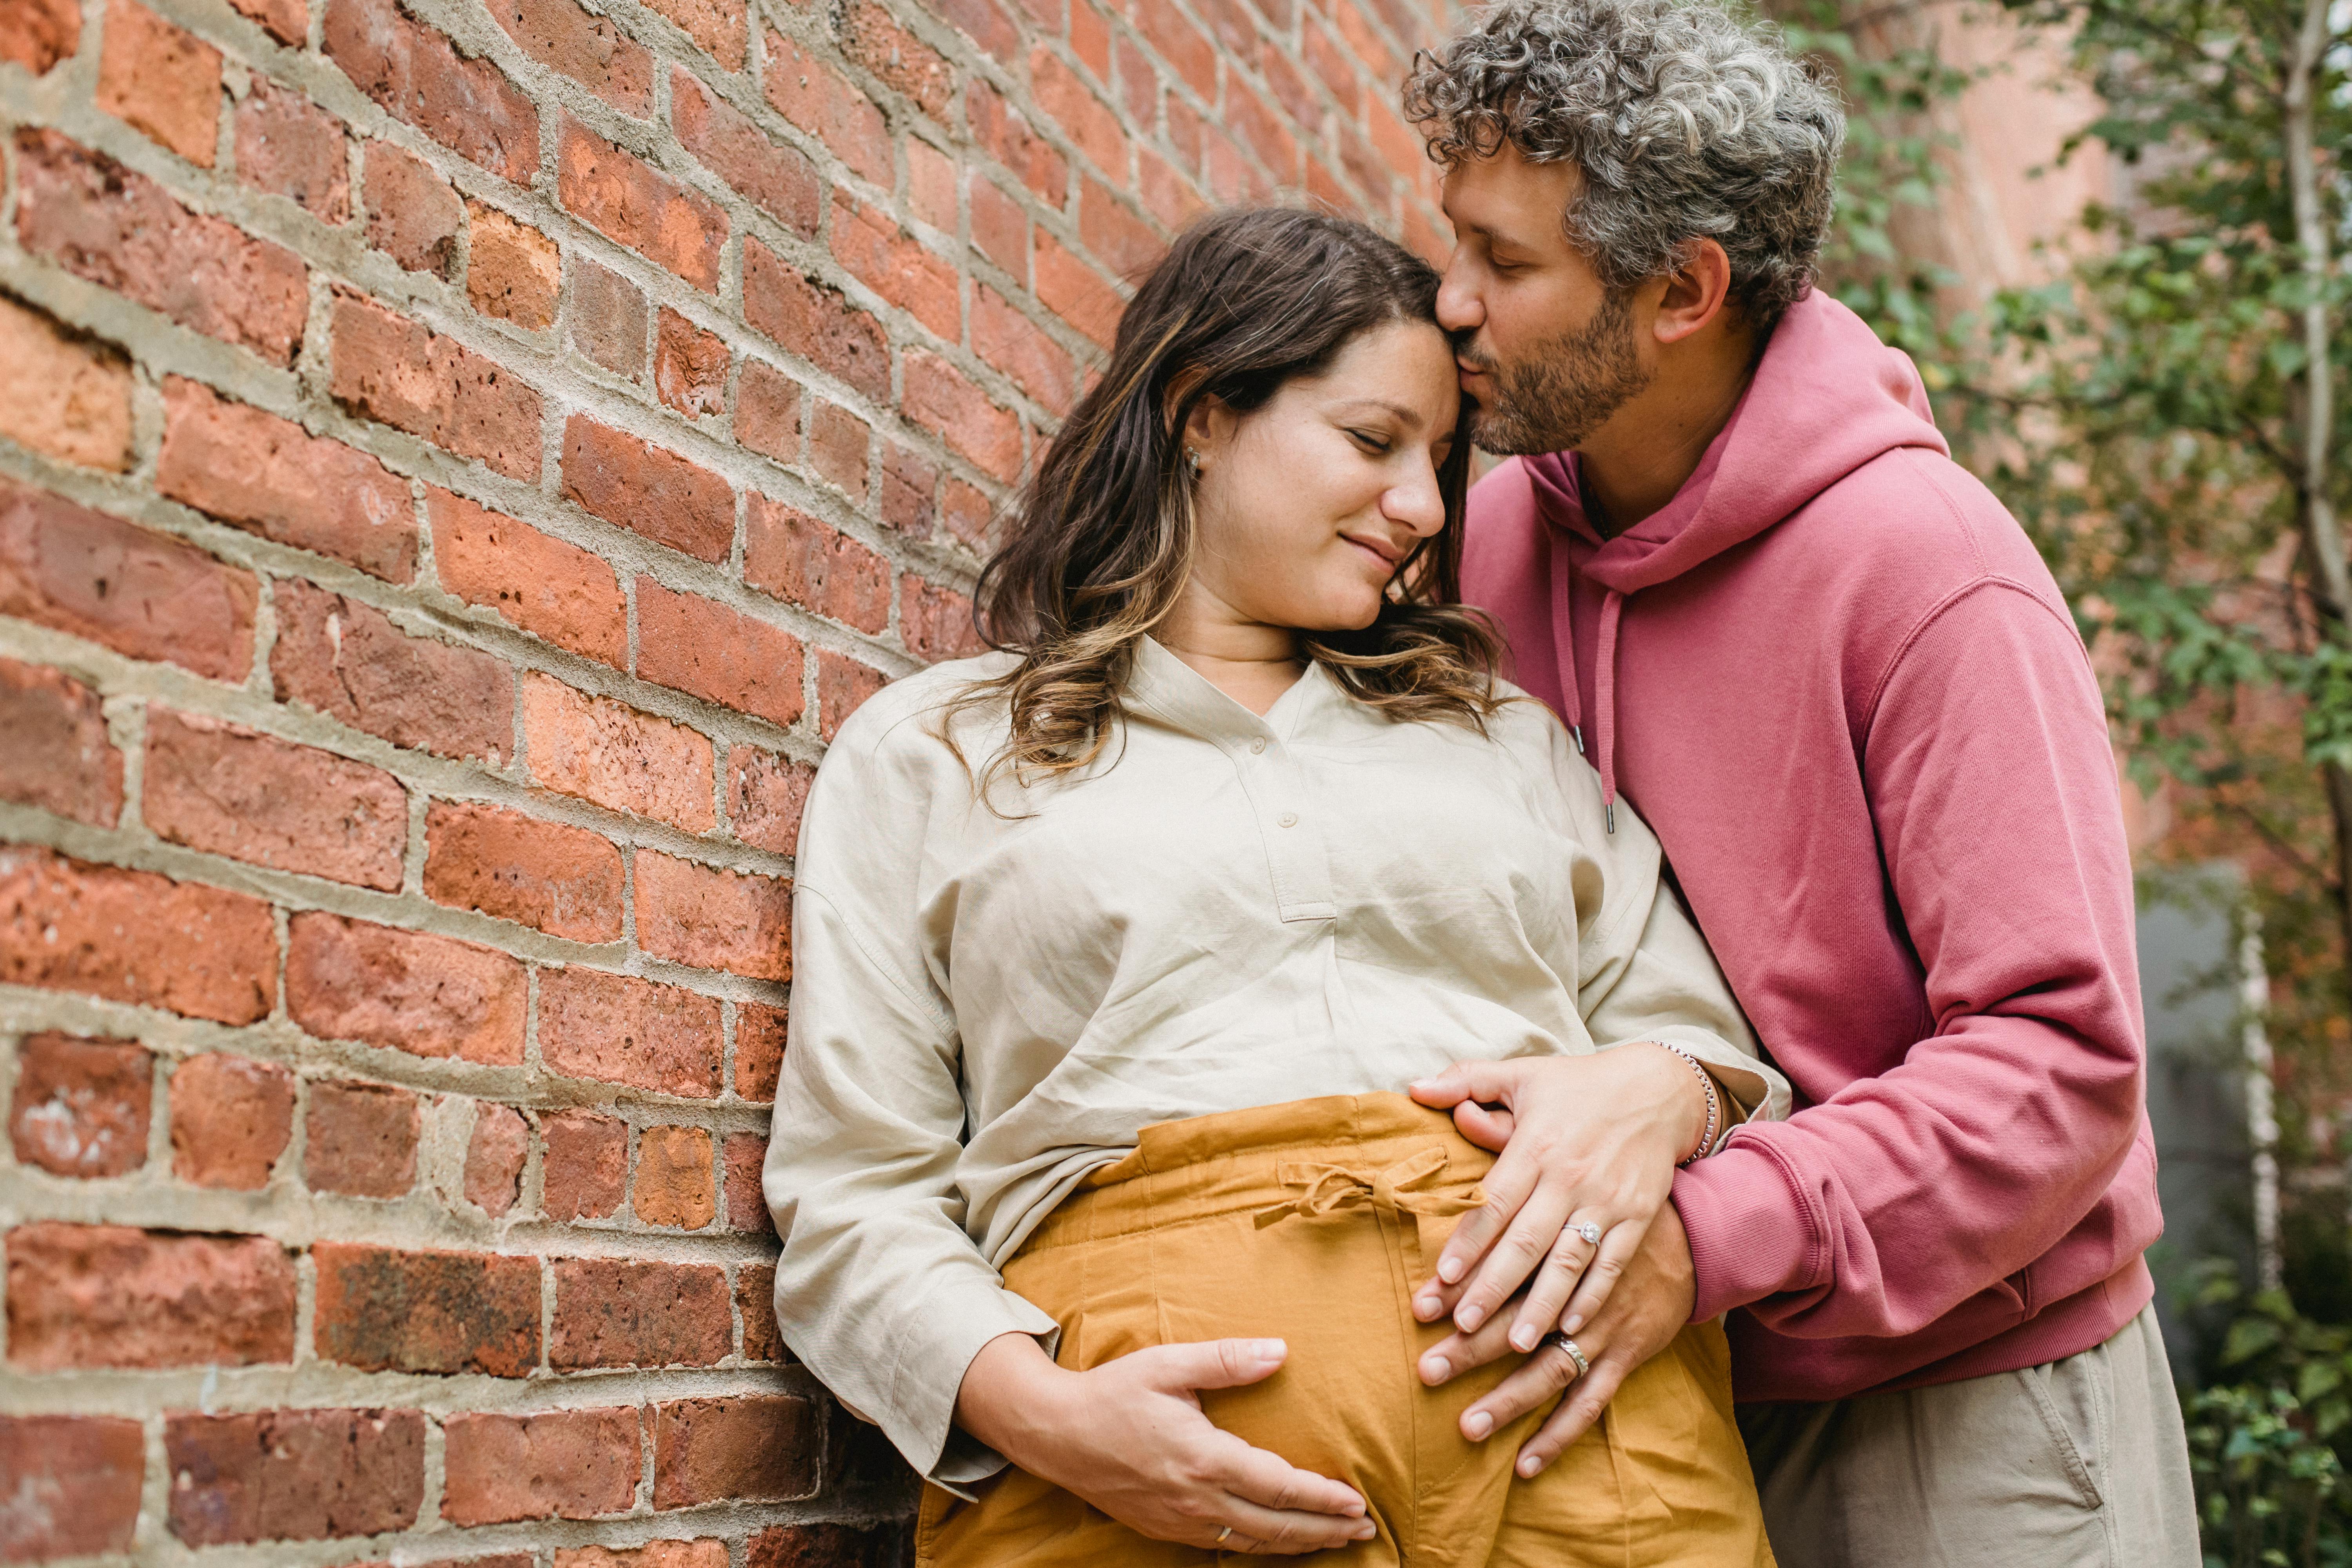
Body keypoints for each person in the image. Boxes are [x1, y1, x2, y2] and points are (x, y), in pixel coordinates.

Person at [761, 206, 1788, 1567]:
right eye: (1374, 443)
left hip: (1584, 1432)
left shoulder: (1502, 738)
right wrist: (1051, 1419)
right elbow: (853, 1195)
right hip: (1142, 1483)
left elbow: (1707, 1048)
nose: (1426, 508)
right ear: (1199, 410)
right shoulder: (943, 751)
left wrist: (1663, 1083)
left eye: (1439, 460)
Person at [1389, 2, 2201, 1563]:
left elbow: (2062, 1067)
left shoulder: (1933, 574)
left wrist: (1709, 1233)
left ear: (1685, 290)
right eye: (1455, 243)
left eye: (1509, 262)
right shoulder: (1487, 548)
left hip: (1968, 1401)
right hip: (1647, 1390)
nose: (1452, 302)